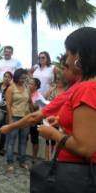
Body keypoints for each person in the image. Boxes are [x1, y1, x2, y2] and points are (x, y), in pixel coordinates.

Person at [38, 27, 96, 165]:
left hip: (78, 173)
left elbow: (84, 148)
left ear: (79, 56)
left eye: (68, 54)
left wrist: (52, 134)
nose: (67, 60)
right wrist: (61, 121)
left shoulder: (87, 88)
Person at [0, 53, 82, 136]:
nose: (62, 73)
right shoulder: (36, 68)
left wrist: (10, 127)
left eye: (64, 69)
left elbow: (84, 146)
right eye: (39, 58)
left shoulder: (53, 69)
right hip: (40, 98)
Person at [5, 68, 33, 171]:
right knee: (11, 140)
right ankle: (10, 162)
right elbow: (8, 104)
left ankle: (22, 161)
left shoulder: (27, 88)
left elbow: (29, 102)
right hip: (15, 117)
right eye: (21, 77)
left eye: (25, 77)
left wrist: (33, 114)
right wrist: (10, 118)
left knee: (23, 141)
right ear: (16, 77)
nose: (23, 79)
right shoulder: (11, 88)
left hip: (26, 117)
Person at [0, 71, 13, 156]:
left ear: (11, 79)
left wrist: (5, 103)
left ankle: (1, 148)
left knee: (3, 130)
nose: (6, 78)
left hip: (5, 111)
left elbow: (11, 100)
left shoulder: (11, 87)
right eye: (5, 76)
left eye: (8, 77)